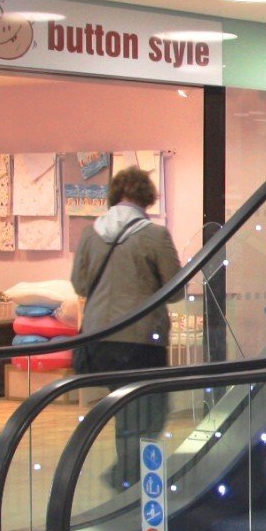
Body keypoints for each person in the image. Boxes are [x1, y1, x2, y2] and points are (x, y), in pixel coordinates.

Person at [73, 166, 185, 491]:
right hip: (140, 339)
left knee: (124, 410)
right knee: (150, 411)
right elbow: (175, 290)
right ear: (146, 196)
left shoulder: (90, 233)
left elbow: (80, 284)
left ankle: (126, 473)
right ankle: (131, 478)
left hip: (97, 338)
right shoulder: (155, 235)